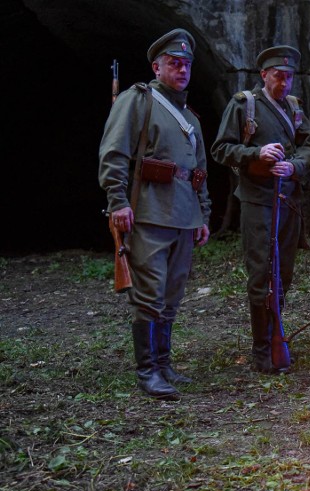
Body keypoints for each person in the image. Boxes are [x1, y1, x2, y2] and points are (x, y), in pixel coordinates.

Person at [99, 28, 211, 400]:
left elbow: (199, 173)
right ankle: (147, 371)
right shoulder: (139, 100)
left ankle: (163, 365)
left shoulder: (189, 117)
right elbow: (114, 153)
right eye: (174, 64)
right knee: (149, 293)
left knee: (172, 295)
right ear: (157, 67)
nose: (181, 70)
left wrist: (203, 215)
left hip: (184, 216)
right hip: (149, 212)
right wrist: (118, 201)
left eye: (186, 65)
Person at [211, 45, 310, 373]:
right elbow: (221, 149)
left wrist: (295, 166)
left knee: (283, 273)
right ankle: (262, 349)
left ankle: (276, 336)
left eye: (288, 77)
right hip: (258, 202)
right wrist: (256, 154)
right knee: (261, 274)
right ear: (264, 75)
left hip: (288, 202)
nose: (283, 82)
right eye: (277, 76)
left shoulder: (296, 108)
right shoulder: (245, 105)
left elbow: (309, 145)